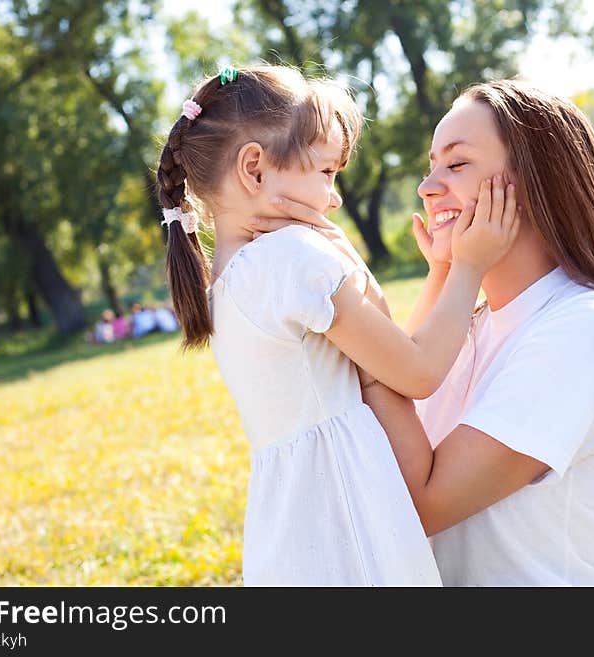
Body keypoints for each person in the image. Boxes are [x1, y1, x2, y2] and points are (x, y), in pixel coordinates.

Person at [251, 79, 594, 586]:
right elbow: (380, 440)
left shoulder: (589, 328)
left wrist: (350, 305)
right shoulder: (472, 323)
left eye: (457, 164)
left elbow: (416, 504)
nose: (427, 186)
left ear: (535, 184)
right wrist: (442, 275)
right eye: (432, 164)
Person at [154, 65, 519, 586]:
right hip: (348, 516)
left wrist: (415, 271)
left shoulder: (234, 280)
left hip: (294, 528)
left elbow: (388, 356)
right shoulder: (291, 258)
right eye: (326, 172)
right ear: (255, 169)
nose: (335, 198)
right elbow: (416, 372)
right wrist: (468, 266)